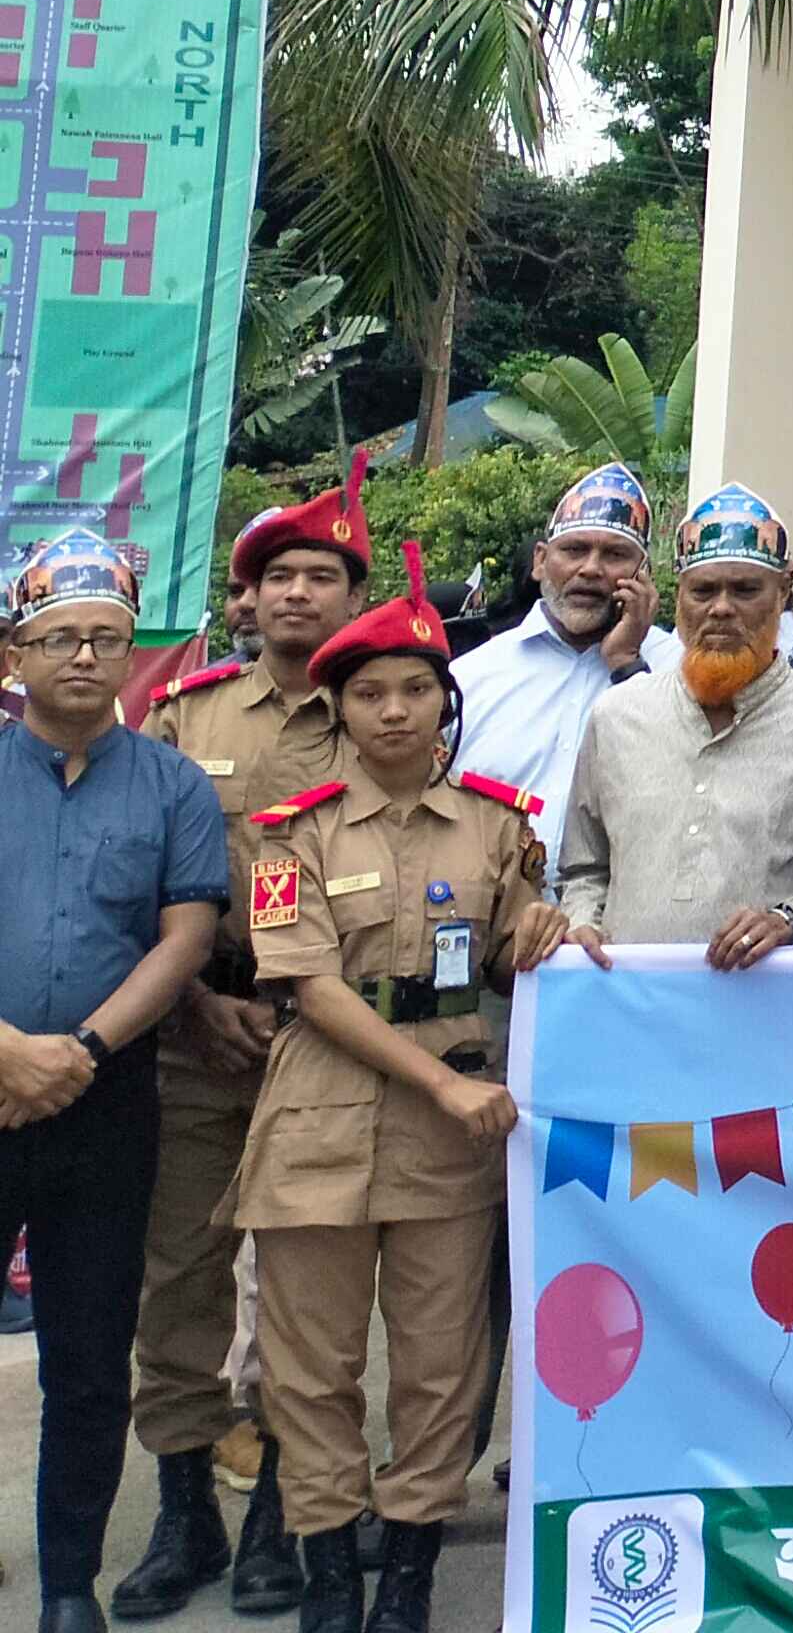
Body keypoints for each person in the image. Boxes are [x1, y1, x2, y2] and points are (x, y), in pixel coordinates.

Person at [232, 570, 572, 1633]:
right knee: (312, 1374)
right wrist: (435, 1081)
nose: (393, 711)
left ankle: (409, 1582)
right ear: (339, 707)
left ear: (444, 702)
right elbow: (311, 986)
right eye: (370, 692)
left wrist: (551, 933)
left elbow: (519, 952)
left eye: (413, 691)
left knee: (438, 1372)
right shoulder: (295, 832)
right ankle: (330, 1581)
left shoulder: (498, 826)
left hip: (448, 1147)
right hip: (320, 1127)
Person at [116, 473, 358, 1622]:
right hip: (198, 1033)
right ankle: (185, 1513)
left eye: (323, 575)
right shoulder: (186, 715)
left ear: (354, 595)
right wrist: (191, 1009)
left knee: (316, 1294)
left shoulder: (387, 706)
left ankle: (282, 1522)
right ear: (247, 601)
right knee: (181, 1278)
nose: (300, 592)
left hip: (336, 1041)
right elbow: (138, 881)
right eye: (280, 578)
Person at [6, 531, 232, 1633]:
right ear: (17, 648)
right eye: (60, 638)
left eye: (106, 638)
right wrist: (7, 1050)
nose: (86, 659)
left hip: (105, 1102)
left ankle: (65, 1585)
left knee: (89, 1358)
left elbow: (185, 936)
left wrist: (78, 1053)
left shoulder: (175, 784)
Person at [551, 482, 793, 966]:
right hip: (626, 1001)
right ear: (679, 598)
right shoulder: (617, 715)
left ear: (783, 592)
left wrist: (789, 919)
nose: (721, 608)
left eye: (745, 590)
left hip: (761, 1008)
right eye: (703, 590)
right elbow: (584, 868)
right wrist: (582, 925)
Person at [446, 464, 677, 825]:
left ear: (643, 570)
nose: (590, 569)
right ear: (540, 561)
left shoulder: (678, 671)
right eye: (574, 550)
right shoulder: (469, 679)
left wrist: (627, 663)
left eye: (615, 555)